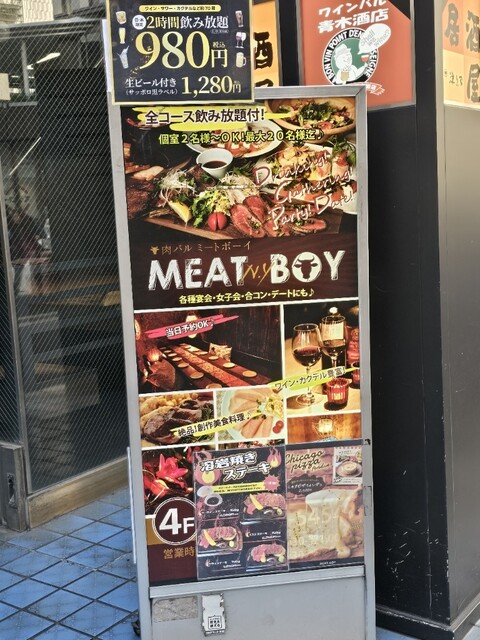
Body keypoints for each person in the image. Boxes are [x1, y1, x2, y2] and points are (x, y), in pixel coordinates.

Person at [6, 206, 43, 295]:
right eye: (14, 216)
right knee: (19, 273)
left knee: (36, 272)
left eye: (17, 216)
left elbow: (39, 233)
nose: (16, 218)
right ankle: (15, 292)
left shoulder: (27, 225)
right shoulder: (11, 227)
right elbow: (11, 240)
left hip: (31, 252)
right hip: (20, 254)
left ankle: (39, 292)